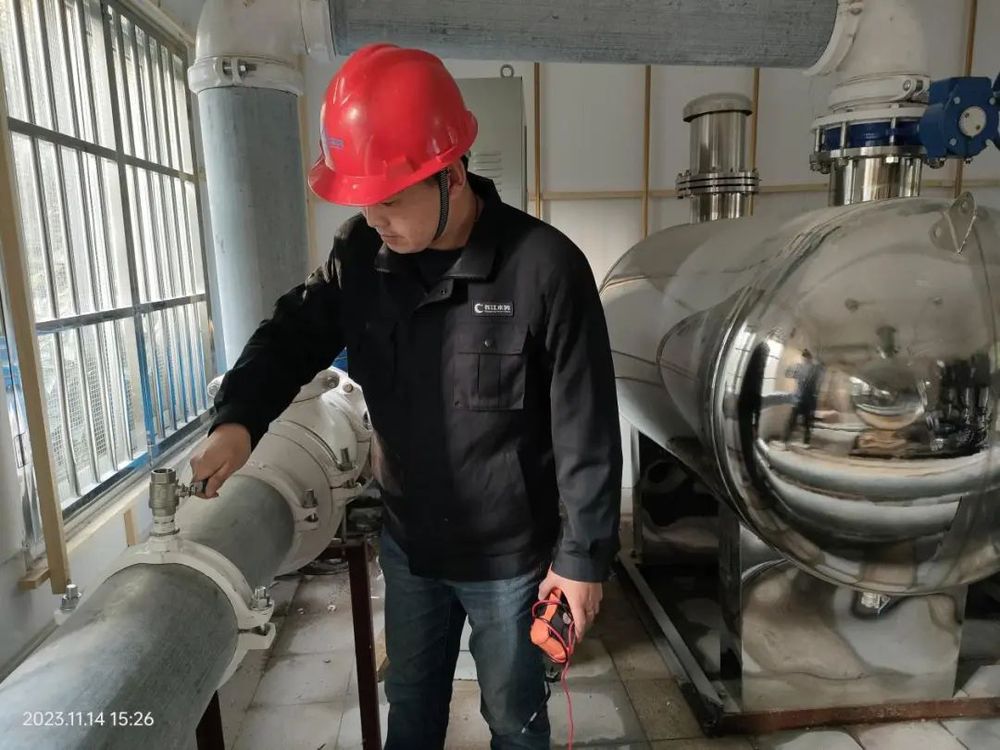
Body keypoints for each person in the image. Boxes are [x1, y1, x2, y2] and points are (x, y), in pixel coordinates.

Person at [188, 44, 623, 749]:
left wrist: (581, 560)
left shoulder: (544, 269)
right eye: (363, 199)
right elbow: (291, 334)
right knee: (412, 707)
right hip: (411, 546)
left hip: (511, 561)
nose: (374, 217)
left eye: (389, 199)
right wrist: (238, 419)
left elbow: (587, 428)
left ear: (450, 175)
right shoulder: (360, 257)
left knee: (513, 719)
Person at [783, 349, 822, 446]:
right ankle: (785, 440)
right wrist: (792, 367)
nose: (805, 360)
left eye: (807, 358)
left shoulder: (815, 369)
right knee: (792, 421)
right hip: (799, 399)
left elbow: (818, 381)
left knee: (807, 423)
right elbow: (787, 374)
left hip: (808, 400)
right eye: (804, 358)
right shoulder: (799, 367)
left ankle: (805, 442)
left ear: (810, 358)